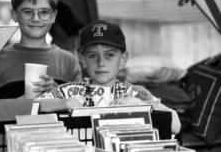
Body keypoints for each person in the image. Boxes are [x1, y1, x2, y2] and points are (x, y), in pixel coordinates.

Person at [39, 20, 181, 134]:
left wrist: (141, 105)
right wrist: (64, 103)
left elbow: (175, 126)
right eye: (93, 55)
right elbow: (31, 108)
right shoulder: (68, 92)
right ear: (83, 59)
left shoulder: (136, 93)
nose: (101, 63)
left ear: (123, 59)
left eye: (109, 55)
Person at [0, 0, 81, 99]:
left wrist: (58, 93)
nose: (35, 19)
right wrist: (18, 106)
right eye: (27, 12)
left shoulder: (68, 62)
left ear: (53, 16)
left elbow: (80, 109)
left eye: (44, 12)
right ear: (14, 15)